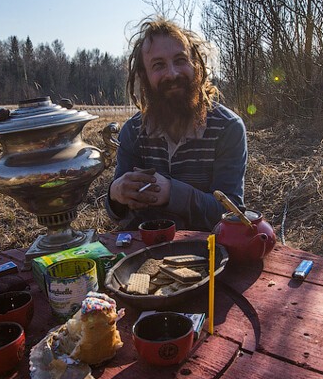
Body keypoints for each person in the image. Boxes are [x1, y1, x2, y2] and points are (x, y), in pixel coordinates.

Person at [104, 16, 248, 231]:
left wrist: (172, 192)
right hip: (145, 250)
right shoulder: (133, 131)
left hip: (208, 252)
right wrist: (115, 193)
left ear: (196, 65)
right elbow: (120, 215)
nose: (172, 74)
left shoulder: (227, 128)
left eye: (180, 60)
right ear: (144, 76)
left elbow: (231, 212)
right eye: (158, 65)